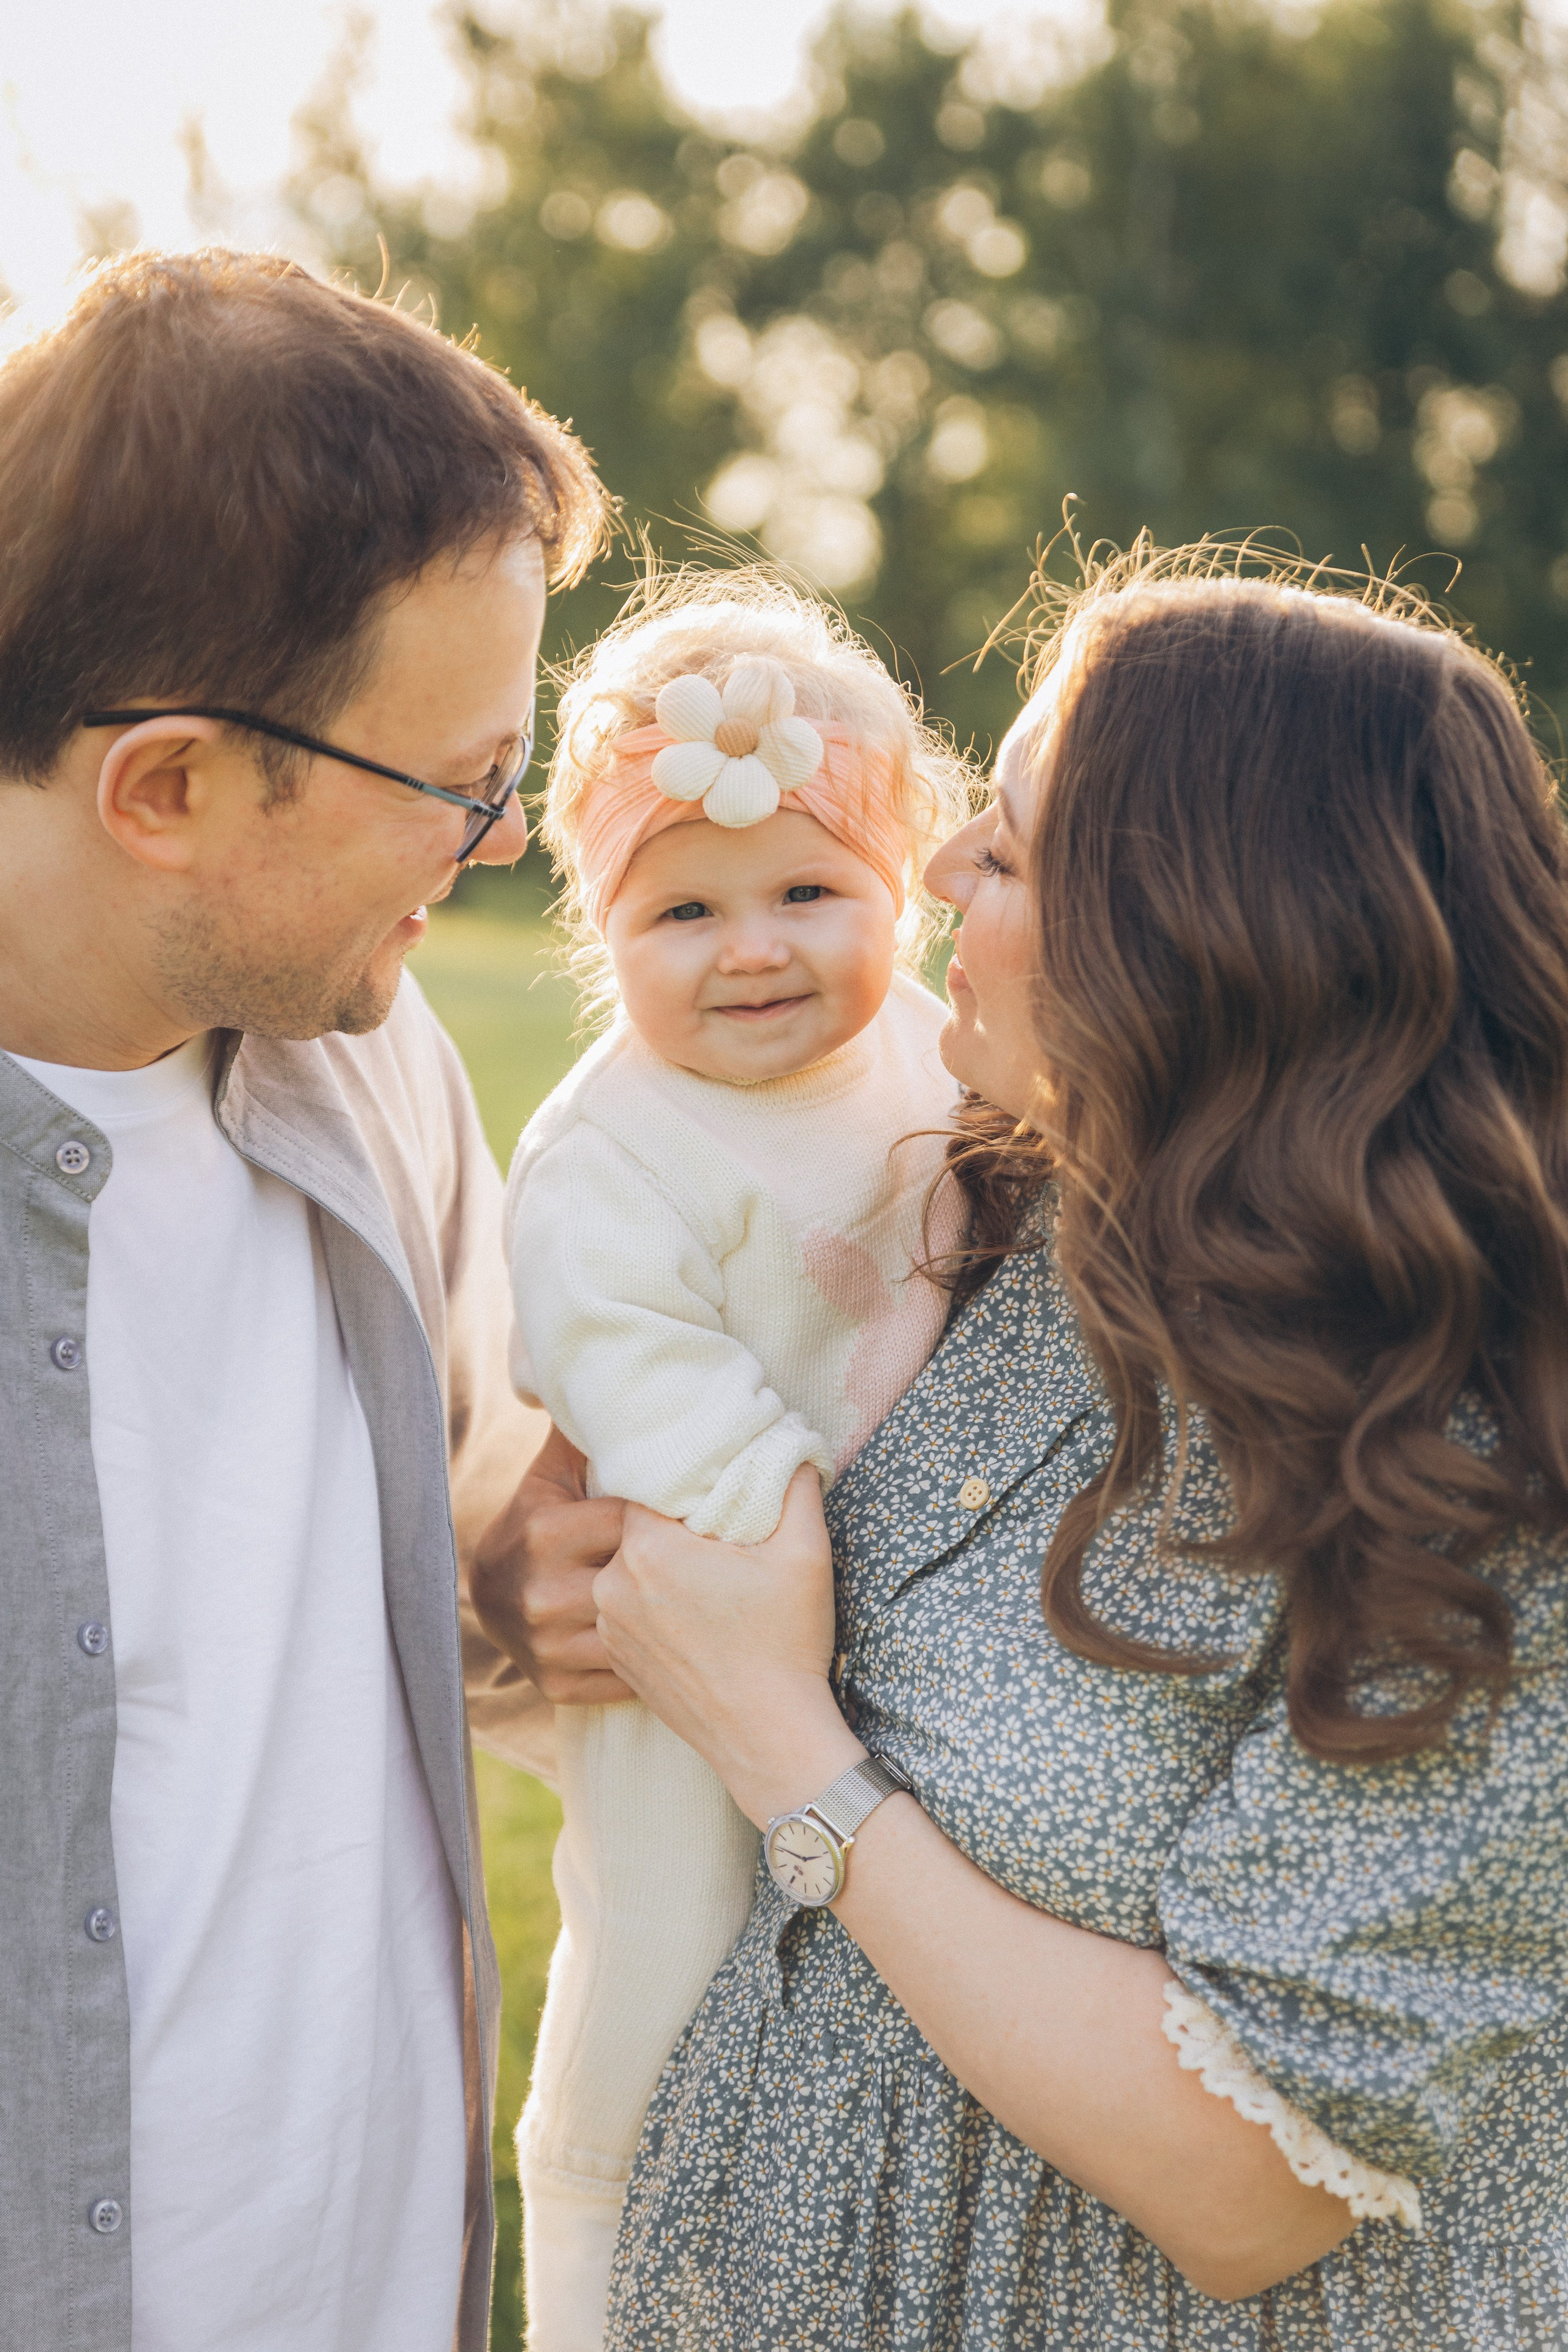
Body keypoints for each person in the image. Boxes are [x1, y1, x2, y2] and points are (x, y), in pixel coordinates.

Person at [476, 554, 1568, 2348]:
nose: (941, 886)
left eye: (1005, 844)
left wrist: (786, 1756)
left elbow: (1254, 2183)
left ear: (1193, 926)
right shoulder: (1022, 1210)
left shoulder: (1479, 1461)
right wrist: (548, 1563)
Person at [0, 248, 605, 2352]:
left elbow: (471, 1569)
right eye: (453, 786)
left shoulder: (374, 1075)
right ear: (166, 787)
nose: (507, 841)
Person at [502, 574, 970, 2346]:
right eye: (682, 908)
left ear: (904, 893)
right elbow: (665, 1405)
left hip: (919, 1618)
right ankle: (609, 2260)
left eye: (807, 892)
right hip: (720, 1612)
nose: (754, 948)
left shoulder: (931, 1054)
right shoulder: (609, 1156)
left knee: (888, 1959)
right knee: (672, 1951)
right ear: (598, 926)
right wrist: (795, 1563)